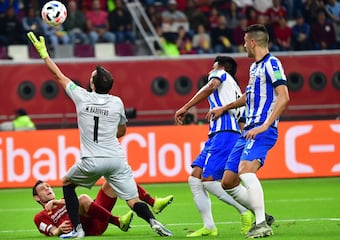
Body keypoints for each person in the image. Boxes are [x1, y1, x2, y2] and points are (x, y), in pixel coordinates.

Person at [27, 31, 172, 238]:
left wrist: (44, 54)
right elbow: (122, 131)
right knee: (132, 200)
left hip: (92, 160)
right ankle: (152, 221)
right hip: (116, 159)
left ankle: (77, 230)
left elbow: (58, 76)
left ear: (93, 83)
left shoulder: (82, 96)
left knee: (67, 183)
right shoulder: (117, 102)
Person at [207, 24, 290, 238]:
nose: (243, 46)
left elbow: (284, 96)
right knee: (228, 181)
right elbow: (248, 97)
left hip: (262, 129)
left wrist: (265, 125)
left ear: (253, 42)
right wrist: (223, 108)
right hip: (248, 131)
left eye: (245, 42)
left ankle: (261, 224)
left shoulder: (273, 64)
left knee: (246, 171)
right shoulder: (254, 68)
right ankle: (262, 214)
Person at [175, 56, 253, 237]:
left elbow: (210, 86)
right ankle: (209, 226)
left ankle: (245, 209)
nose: (211, 69)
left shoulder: (220, 74)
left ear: (222, 67)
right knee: (195, 179)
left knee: (209, 180)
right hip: (219, 134)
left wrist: (185, 107)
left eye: (213, 65)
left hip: (225, 133)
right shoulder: (236, 90)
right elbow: (242, 119)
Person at [33, 180, 174, 237]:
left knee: (114, 180)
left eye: (48, 186)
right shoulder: (40, 217)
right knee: (82, 198)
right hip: (87, 227)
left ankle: (153, 202)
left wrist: (58, 202)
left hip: (98, 216)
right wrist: (58, 230)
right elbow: (50, 231)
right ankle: (118, 221)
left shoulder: (63, 200)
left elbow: (72, 203)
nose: (47, 189)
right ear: (37, 198)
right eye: (42, 189)